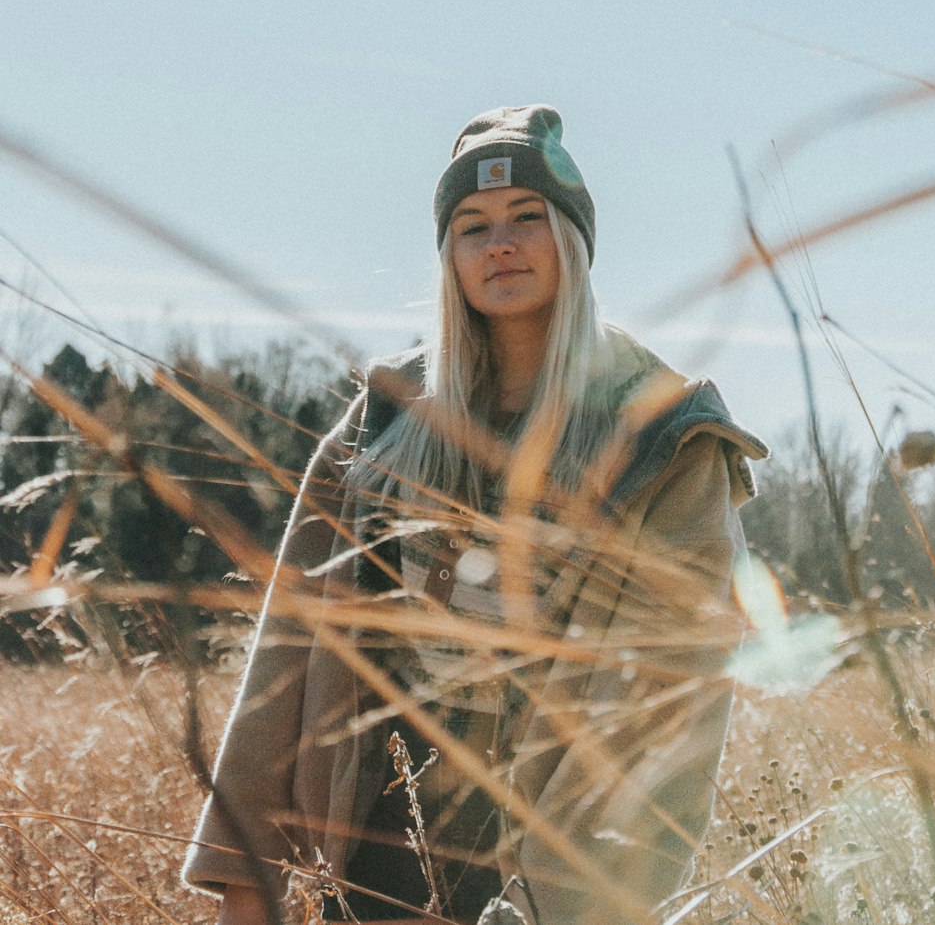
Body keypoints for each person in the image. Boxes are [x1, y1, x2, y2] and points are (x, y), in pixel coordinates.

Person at [182, 105, 767, 925]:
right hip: (379, 825)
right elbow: (289, 649)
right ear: (448, 256)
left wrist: (561, 901)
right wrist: (245, 871)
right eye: (471, 226)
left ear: (572, 240)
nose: (500, 244)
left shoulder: (661, 433)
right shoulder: (388, 421)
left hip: (554, 842)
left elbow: (670, 694)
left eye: (528, 217)